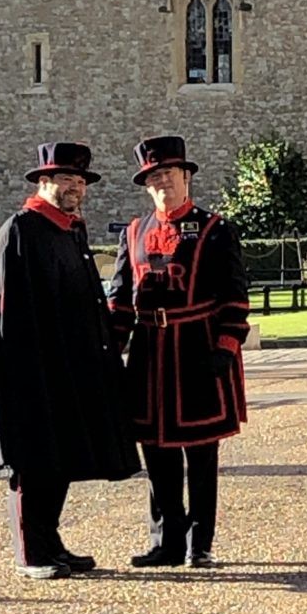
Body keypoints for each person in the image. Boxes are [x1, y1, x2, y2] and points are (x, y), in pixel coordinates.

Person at [0, 142, 140, 579]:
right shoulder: (21, 231)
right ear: (43, 182)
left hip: (69, 370)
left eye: (80, 181)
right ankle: (31, 552)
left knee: (60, 458)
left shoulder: (69, 231)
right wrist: (22, 377)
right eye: (66, 179)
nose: (75, 187)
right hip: (32, 372)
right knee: (33, 462)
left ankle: (51, 541)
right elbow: (9, 316)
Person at [108, 135, 250, 568]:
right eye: (154, 177)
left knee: (202, 454)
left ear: (186, 177)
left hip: (197, 350)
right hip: (150, 356)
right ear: (146, 185)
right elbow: (119, 301)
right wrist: (110, 352)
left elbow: (235, 296)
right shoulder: (134, 232)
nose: (162, 182)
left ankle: (199, 542)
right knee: (157, 453)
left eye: (169, 174)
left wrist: (225, 347)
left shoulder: (215, 229)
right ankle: (165, 541)